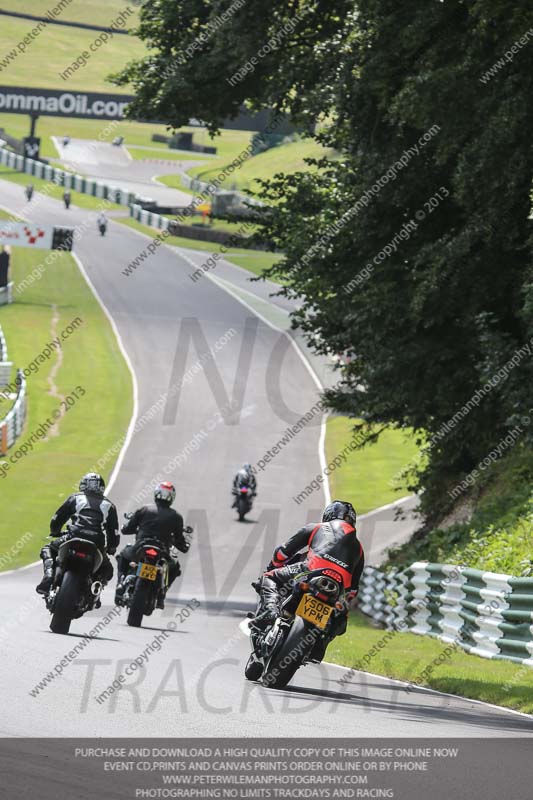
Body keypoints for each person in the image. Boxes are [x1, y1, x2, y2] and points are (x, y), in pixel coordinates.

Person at [253, 500, 364, 659]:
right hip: (338, 587)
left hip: (310, 571)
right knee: (340, 618)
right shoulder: (359, 548)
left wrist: (273, 566)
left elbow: (283, 553)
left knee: (270, 578)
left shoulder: (317, 527)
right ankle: (320, 644)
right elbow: (353, 589)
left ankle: (270, 610)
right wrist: (342, 602)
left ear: (328, 515)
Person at [36, 473, 119, 596]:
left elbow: (58, 517)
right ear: (102, 487)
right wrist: (112, 547)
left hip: (73, 536)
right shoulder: (110, 506)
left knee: (48, 549)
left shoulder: (75, 498)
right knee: (108, 571)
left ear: (83, 485)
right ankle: (94, 592)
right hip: (97, 542)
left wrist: (55, 531)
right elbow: (113, 531)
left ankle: (48, 576)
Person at [115, 481, 189, 608]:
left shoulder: (144, 509)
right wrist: (183, 546)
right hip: (162, 551)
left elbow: (128, 528)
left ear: (156, 494)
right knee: (175, 567)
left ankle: (121, 583)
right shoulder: (176, 517)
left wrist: (125, 528)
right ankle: (162, 594)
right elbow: (179, 540)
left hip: (140, 547)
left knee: (123, 555)